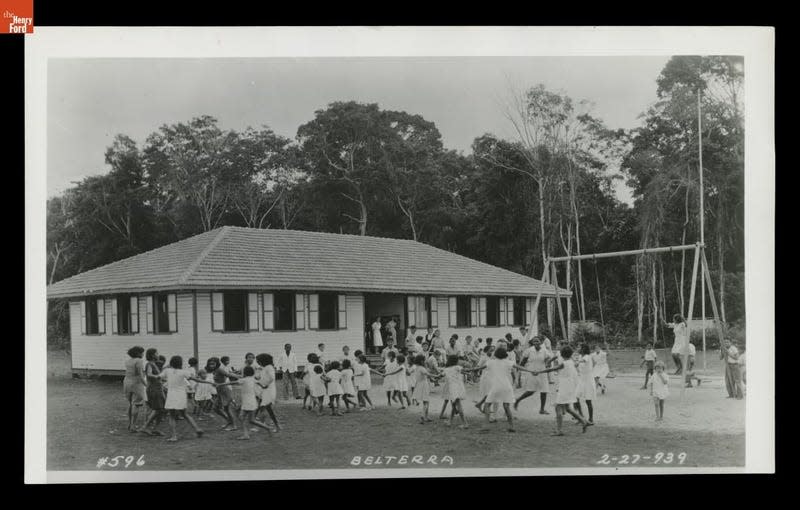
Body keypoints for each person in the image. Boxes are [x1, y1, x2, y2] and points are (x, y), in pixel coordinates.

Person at [534, 346, 593, 436]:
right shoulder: (571, 362)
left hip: (565, 387)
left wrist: (539, 371)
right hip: (568, 386)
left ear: (562, 354)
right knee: (568, 408)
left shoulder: (564, 363)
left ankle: (559, 430)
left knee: (558, 407)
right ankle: (583, 421)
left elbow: (551, 369)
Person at [479, 346, 532, 433]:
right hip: (507, 386)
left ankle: (485, 426)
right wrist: (530, 371)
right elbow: (519, 367)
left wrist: (469, 369)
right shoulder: (508, 362)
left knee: (487, 405)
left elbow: (479, 368)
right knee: (506, 407)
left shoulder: (491, 362)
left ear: (495, 354)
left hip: (496, 386)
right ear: (505, 354)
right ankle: (511, 426)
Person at [162, 355, 214, 441]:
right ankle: (197, 429)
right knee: (185, 414)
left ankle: (174, 436)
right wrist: (207, 381)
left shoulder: (168, 371)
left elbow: (158, 377)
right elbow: (196, 379)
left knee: (171, 416)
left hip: (172, 395)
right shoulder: (183, 372)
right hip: (181, 395)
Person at [216, 365, 272, 440]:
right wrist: (265, 386)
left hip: (247, 402)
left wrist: (220, 384)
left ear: (245, 373)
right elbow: (261, 384)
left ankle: (247, 434)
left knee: (243, 418)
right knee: (250, 420)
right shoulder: (253, 379)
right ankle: (266, 428)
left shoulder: (244, 380)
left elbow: (232, 382)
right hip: (252, 402)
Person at [514, 336, 550, 414]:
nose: (536, 343)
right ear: (532, 343)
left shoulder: (544, 351)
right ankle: (518, 400)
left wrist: (547, 364)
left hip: (542, 372)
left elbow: (547, 361)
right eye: (534, 341)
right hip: (531, 372)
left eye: (537, 341)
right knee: (531, 391)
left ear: (541, 342)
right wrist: (519, 371)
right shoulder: (529, 351)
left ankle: (542, 409)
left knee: (544, 391)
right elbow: (522, 362)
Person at [211, 356, 240, 431]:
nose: (211, 365)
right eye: (210, 364)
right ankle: (229, 421)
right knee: (215, 408)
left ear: (217, 363)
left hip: (224, 391)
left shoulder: (220, 369)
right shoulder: (214, 370)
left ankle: (234, 425)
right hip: (219, 391)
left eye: (213, 364)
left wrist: (239, 376)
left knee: (226, 408)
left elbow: (229, 375)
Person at [142, 348, 166, 435]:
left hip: (158, 388)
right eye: (156, 353)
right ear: (152, 355)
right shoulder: (149, 364)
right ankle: (145, 427)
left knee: (161, 409)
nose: (158, 354)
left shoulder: (154, 364)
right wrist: (157, 376)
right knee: (158, 409)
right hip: (154, 389)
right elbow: (149, 374)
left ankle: (155, 428)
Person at [123, 346, 148, 432]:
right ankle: (133, 425)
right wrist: (146, 385)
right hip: (136, 383)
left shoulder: (128, 361)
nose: (143, 354)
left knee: (130, 403)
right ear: (138, 353)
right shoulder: (139, 361)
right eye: (142, 352)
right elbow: (141, 375)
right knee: (137, 404)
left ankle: (130, 423)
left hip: (127, 381)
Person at [412, 354, 443, 423]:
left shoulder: (416, 368)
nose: (425, 362)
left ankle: (426, 417)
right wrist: (437, 375)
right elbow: (428, 374)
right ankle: (423, 415)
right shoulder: (422, 368)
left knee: (426, 401)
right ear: (421, 361)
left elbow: (426, 376)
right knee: (426, 402)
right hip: (424, 385)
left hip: (419, 384)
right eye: (424, 360)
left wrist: (434, 379)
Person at [255, 353, 280, 431]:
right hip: (265, 390)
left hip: (269, 390)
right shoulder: (265, 368)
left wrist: (265, 385)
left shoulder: (269, 367)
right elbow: (260, 377)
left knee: (263, 408)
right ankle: (277, 426)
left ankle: (261, 426)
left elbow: (272, 378)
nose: (257, 362)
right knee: (268, 409)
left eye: (258, 361)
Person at [576, 344, 596, 424]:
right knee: (575, 398)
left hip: (588, 380)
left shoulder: (587, 356)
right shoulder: (580, 356)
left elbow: (584, 360)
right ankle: (581, 417)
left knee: (588, 401)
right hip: (581, 380)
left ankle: (591, 419)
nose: (577, 348)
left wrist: (577, 362)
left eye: (579, 347)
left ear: (583, 349)